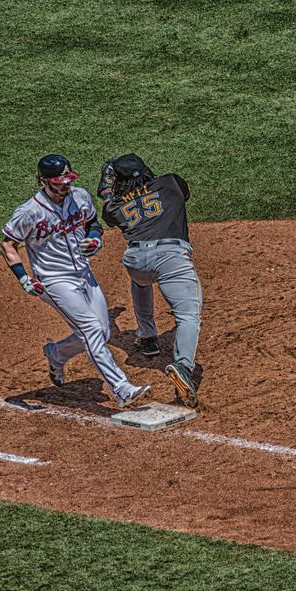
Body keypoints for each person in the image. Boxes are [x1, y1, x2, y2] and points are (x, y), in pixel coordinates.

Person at [1, 153, 151, 408]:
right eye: (59, 183)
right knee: (91, 329)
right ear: (43, 181)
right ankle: (121, 388)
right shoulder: (29, 212)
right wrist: (24, 278)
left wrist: (95, 239)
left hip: (84, 272)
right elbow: (8, 244)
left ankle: (56, 353)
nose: (65, 187)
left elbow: (93, 223)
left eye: (67, 180)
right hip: (53, 280)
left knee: (102, 332)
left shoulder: (79, 196)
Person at [98, 153, 203, 408]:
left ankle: (147, 338)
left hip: (136, 262)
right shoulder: (171, 183)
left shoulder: (115, 205)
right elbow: (180, 195)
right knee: (188, 315)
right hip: (170, 259)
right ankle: (184, 367)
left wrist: (107, 190)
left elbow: (108, 208)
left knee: (141, 282)